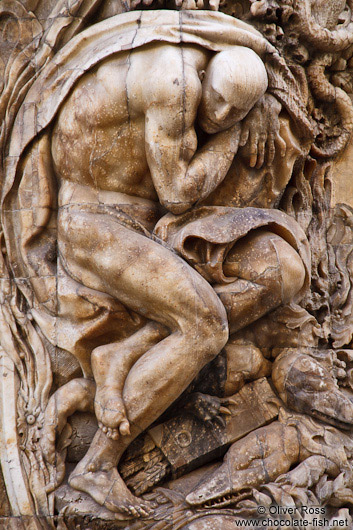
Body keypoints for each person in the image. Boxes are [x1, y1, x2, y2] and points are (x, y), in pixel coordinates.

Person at [47, 42, 306, 517]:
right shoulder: (177, 83)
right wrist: (235, 131)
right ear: (205, 75)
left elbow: (254, 48)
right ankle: (96, 467)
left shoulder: (207, 61)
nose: (223, 113)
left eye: (236, 108)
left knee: (284, 270)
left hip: (153, 226)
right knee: (207, 325)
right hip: (98, 223)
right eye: (221, 99)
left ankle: (125, 354)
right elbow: (178, 191)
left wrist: (260, 105)